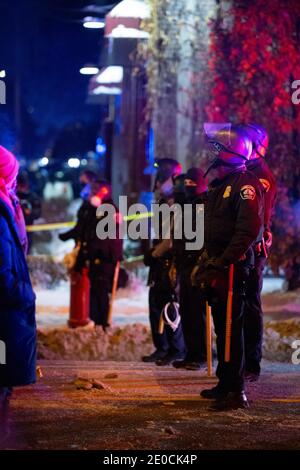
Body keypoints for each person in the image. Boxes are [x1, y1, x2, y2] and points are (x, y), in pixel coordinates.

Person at [193, 124, 263, 410]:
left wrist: (224, 261)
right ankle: (226, 382)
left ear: (228, 153)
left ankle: (237, 392)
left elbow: (248, 231)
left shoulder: (245, 185)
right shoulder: (222, 185)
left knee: (232, 329)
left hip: (232, 269)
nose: (211, 153)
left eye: (216, 148)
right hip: (218, 266)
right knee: (223, 329)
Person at [239, 123, 277, 382]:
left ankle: (252, 362)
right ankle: (239, 357)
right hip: (244, 246)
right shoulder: (245, 173)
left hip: (254, 247)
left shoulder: (260, 176)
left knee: (250, 303)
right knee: (239, 303)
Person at [0, 145, 36, 407]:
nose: (14, 181)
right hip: (6, 305)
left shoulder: (7, 204)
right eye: (11, 174)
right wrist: (22, 292)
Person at [60, 178, 123, 328]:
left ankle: (102, 324)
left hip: (104, 259)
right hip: (93, 257)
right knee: (94, 292)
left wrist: (95, 253)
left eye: (95, 190)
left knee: (100, 293)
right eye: (91, 190)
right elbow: (85, 232)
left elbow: (105, 238)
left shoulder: (109, 210)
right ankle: (96, 323)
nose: (91, 193)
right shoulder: (92, 209)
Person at [142, 158, 186, 365]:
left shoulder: (176, 204)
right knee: (156, 303)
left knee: (170, 305)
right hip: (161, 261)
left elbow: (171, 239)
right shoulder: (164, 203)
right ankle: (163, 347)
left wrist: (155, 253)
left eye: (162, 178)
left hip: (171, 261)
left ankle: (175, 348)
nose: (158, 184)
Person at [173, 168, 208, 370]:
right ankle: (191, 353)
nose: (188, 188)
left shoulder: (203, 205)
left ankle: (201, 354)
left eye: (191, 184)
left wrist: (200, 264)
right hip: (184, 265)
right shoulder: (185, 206)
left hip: (197, 266)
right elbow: (179, 237)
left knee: (197, 312)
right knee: (186, 311)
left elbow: (203, 238)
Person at [17, 170, 42, 252]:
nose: (21, 188)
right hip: (15, 229)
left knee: (26, 251)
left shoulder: (32, 196)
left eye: (23, 186)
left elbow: (38, 213)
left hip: (28, 230)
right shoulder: (14, 196)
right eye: (19, 186)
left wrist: (30, 213)